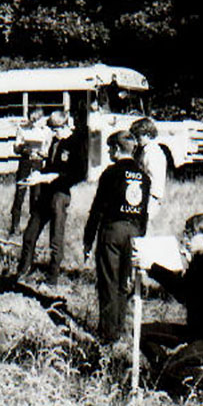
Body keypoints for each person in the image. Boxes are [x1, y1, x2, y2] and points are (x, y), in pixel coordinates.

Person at [138, 213, 203, 397]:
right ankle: (172, 378)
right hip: (196, 332)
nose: (186, 239)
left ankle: (200, 386)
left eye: (191, 234)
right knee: (140, 333)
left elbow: (184, 292)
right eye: (186, 233)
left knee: (170, 367)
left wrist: (153, 269)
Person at [83, 130, 150, 343]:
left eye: (110, 148)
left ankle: (107, 334)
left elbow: (98, 209)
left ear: (117, 149)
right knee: (124, 282)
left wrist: (88, 238)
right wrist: (141, 238)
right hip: (135, 231)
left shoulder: (111, 173)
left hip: (112, 230)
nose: (109, 152)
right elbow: (145, 211)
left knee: (108, 282)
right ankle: (119, 328)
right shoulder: (144, 176)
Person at [15, 110, 88, 284]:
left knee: (56, 238)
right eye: (52, 130)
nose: (54, 134)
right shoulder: (56, 142)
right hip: (46, 192)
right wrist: (37, 175)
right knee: (30, 234)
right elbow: (51, 166)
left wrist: (51, 177)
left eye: (56, 130)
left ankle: (52, 277)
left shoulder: (76, 143)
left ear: (66, 126)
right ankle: (23, 271)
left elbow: (78, 174)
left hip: (60, 194)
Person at [9, 107, 51, 235]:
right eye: (31, 120)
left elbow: (48, 150)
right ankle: (15, 226)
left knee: (36, 196)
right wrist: (22, 148)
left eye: (36, 120)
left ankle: (33, 228)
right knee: (20, 194)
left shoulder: (46, 132)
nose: (33, 123)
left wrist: (42, 153)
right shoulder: (22, 129)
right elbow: (16, 148)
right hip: (25, 162)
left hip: (38, 163)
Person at [130, 117, 167, 230]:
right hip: (145, 195)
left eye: (138, 136)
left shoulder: (153, 153)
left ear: (147, 134)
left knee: (145, 228)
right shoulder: (146, 151)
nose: (137, 140)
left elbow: (153, 178)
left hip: (151, 197)